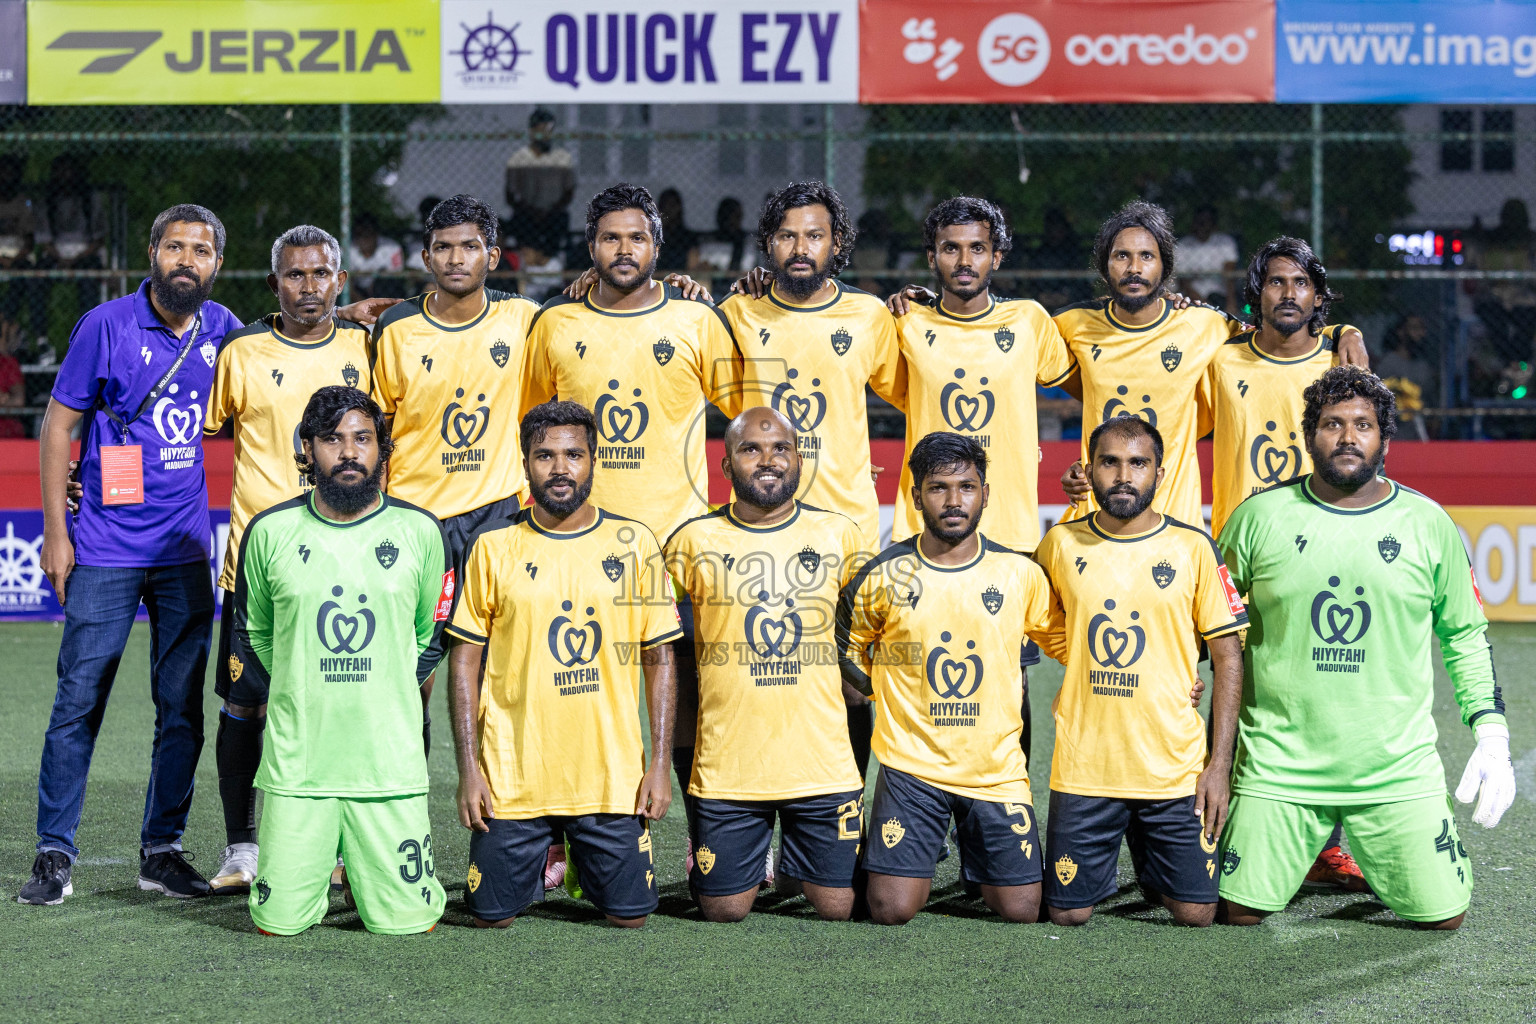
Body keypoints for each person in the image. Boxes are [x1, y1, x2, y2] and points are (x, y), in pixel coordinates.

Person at [1216, 366, 1514, 929]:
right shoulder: (1255, 519)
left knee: (1443, 917)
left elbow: (1464, 636)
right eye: (1332, 424)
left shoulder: (1429, 524)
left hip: (1394, 769)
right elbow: (1209, 628)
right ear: (1309, 436)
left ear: (1384, 439)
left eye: (1363, 425)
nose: (1348, 437)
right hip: (1280, 767)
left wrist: (1491, 733)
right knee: (1238, 911)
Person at [20, 205, 244, 905]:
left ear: (215, 264)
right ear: (152, 253)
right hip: (106, 548)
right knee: (78, 701)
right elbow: (59, 425)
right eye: (174, 246)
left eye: (200, 250)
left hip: (183, 549)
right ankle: (55, 852)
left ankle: (162, 851)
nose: (186, 259)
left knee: (179, 708)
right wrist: (56, 532)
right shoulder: (105, 325)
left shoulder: (227, 331)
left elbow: (287, 371)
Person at [524, 183, 738, 841]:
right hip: (577, 544)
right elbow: (530, 426)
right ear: (591, 246)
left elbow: (747, 418)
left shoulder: (697, 321)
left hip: (677, 546)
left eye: (637, 237)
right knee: (575, 688)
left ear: (657, 244)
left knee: (694, 699)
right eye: (611, 237)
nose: (624, 249)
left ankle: (712, 840)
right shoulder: (556, 324)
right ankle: (566, 840)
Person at [446, 400, 679, 928]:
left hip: (608, 775)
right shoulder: (492, 544)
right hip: (513, 776)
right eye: (544, 455)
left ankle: (580, 856)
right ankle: (546, 851)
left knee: (630, 919)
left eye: (574, 454)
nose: (560, 468)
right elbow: (464, 662)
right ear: (524, 462)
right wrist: (469, 771)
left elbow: (659, 656)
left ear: (594, 460)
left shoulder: (635, 542)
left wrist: (658, 766)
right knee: (491, 918)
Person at [232, 386, 447, 935]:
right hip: (300, 770)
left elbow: (429, 636)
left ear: (383, 450)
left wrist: (388, 687)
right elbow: (257, 633)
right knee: (275, 923)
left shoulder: (421, 531)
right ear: (307, 449)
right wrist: (303, 686)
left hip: (387, 768)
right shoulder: (269, 532)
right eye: (332, 440)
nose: (348, 452)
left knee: (409, 924)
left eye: (362, 439)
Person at [200, 225, 374, 894]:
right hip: (259, 563)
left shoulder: (367, 347)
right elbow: (188, 432)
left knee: (339, 705)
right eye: (295, 275)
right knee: (247, 707)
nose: (310, 287)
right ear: (274, 284)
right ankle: (243, 846)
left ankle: (337, 846)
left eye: (321, 274)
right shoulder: (240, 352)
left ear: (340, 280)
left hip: (347, 563)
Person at [1196, 237, 1369, 890]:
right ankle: (1217, 829)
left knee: (1318, 700)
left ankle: (1324, 845)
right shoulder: (1222, 362)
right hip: (1236, 560)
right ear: (1256, 293)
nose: (1288, 293)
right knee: (1229, 700)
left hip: (1320, 562)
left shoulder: (1339, 364)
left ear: (1319, 297)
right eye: (1274, 282)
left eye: (1300, 283)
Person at [719, 181, 904, 789]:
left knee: (853, 682)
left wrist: (922, 307)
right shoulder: (735, 314)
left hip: (846, 530)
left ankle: (844, 820)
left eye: (815, 236)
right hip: (756, 528)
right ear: (768, 244)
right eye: (788, 236)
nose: (801, 248)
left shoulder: (871, 315)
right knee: (758, 677)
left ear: (838, 243)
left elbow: (920, 383)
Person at [883, 196, 1077, 768]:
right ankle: (923, 800)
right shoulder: (905, 325)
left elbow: (1100, 382)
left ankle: (1007, 804)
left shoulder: (1029, 322)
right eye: (950, 248)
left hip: (1010, 535)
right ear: (931, 256)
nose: (964, 260)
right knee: (922, 674)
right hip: (922, 534)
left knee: (1009, 683)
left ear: (997, 254)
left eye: (976, 248)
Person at [1034, 416, 1246, 927]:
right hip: (1086, 768)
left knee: (1196, 914)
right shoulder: (1060, 544)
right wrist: (1084, 660)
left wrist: (1218, 767)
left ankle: (1152, 864)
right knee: (1068, 916)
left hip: (1172, 770)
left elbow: (1227, 656)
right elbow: (1043, 623)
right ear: (1090, 469)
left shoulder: (1194, 547)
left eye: (1137, 463)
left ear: (1160, 472)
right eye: (1109, 462)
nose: (1123, 475)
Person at [838, 432, 1055, 925]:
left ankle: (974, 844)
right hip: (912, 766)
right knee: (890, 910)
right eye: (938, 488)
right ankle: (927, 839)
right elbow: (845, 646)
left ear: (985, 493)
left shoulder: (1017, 573)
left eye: (967, 487)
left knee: (1022, 911)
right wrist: (881, 689)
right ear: (916, 495)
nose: (954, 501)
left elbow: (1068, 643)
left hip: (995, 772)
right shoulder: (882, 573)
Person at [665, 407, 866, 922]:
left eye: (781, 448)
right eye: (750, 449)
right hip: (730, 771)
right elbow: (655, 638)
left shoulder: (840, 534)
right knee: (723, 911)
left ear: (799, 459)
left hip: (821, 767)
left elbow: (873, 628)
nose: (768, 460)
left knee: (839, 908)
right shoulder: (691, 542)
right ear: (727, 466)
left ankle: (803, 856)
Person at [1056, 201, 1370, 527]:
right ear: (1104, 265)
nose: (1134, 267)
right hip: (1095, 517)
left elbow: (1278, 334)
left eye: (1146, 256)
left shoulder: (1207, 327)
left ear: (1166, 267)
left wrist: (1345, 332)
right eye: (1122, 255)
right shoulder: (1071, 323)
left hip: (1177, 527)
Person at [370, 194, 539, 758]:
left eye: (470, 246)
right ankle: (399, 806)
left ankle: (511, 827)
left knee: (501, 675)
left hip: (498, 518)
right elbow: (378, 428)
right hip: (417, 524)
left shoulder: (523, 319)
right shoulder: (395, 329)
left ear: (492, 255)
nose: (456, 258)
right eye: (444, 247)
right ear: (425, 256)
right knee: (407, 676)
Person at [505, 108, 575, 260]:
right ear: (531, 131)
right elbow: (510, 195)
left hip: (554, 214)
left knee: (560, 222)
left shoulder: (562, 158)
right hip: (527, 213)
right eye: (540, 130)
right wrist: (531, 210)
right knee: (521, 223)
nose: (544, 134)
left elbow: (569, 191)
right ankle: (528, 264)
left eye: (548, 130)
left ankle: (551, 264)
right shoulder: (519, 159)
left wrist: (551, 210)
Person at [1175, 204, 1240, 310]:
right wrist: (1205, 305)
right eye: (1199, 221)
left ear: (1213, 223)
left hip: (1219, 294)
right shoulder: (1183, 245)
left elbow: (1230, 276)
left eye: (1207, 221)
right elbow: (1183, 281)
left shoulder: (1225, 242)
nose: (1203, 225)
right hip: (1191, 296)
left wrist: (1231, 303)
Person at [347, 213, 404, 300]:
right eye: (360, 234)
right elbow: (347, 284)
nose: (364, 238)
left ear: (376, 234)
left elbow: (395, 276)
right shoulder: (348, 250)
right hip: (358, 292)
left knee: (385, 282)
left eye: (368, 233)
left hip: (382, 292)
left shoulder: (391, 247)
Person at [656, 188, 700, 272]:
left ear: (679, 207)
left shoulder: (689, 237)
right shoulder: (654, 236)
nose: (668, 210)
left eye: (672, 205)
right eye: (665, 206)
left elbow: (693, 265)